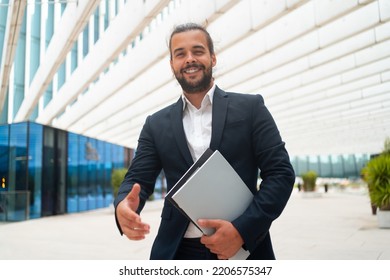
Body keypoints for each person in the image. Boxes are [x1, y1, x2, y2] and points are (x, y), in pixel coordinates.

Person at [114, 22, 295, 260]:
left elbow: (281, 173)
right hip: (177, 251)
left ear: (213, 58)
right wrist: (123, 207)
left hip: (241, 247)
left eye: (197, 51)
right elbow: (137, 179)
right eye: (180, 54)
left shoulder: (251, 109)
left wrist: (242, 230)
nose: (189, 59)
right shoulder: (155, 124)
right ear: (172, 65)